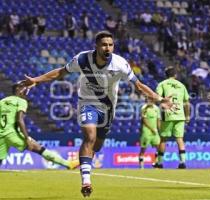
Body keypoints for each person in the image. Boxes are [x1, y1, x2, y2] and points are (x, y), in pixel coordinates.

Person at [20, 30, 174, 197]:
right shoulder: (83, 59)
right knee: (89, 137)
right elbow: (60, 72)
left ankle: (87, 164)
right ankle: (86, 180)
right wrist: (36, 80)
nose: (107, 48)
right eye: (104, 45)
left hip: (108, 108)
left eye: (110, 45)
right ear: (96, 46)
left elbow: (139, 86)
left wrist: (159, 100)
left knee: (97, 146)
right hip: (87, 103)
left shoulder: (120, 64)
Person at [0, 83, 78, 169]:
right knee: (38, 148)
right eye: (23, 88)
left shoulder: (2, 101)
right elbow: (19, 120)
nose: (26, 91)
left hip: (1, 134)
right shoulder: (21, 101)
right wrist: (27, 138)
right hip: (12, 133)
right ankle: (68, 164)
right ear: (18, 89)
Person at [153, 66, 190, 169]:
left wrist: (162, 100)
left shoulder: (162, 84)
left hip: (168, 114)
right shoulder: (181, 85)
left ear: (166, 75)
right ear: (175, 75)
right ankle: (182, 162)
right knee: (179, 138)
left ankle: (159, 163)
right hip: (180, 115)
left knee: (163, 139)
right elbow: (187, 103)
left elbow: (156, 97)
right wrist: (187, 116)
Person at [139, 97, 161, 169]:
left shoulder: (156, 108)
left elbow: (158, 120)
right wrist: (152, 129)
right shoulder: (144, 108)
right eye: (148, 100)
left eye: (150, 100)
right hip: (146, 131)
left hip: (155, 131)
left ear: (153, 100)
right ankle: (141, 166)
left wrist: (159, 129)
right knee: (143, 148)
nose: (149, 101)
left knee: (159, 147)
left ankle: (156, 163)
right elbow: (144, 120)